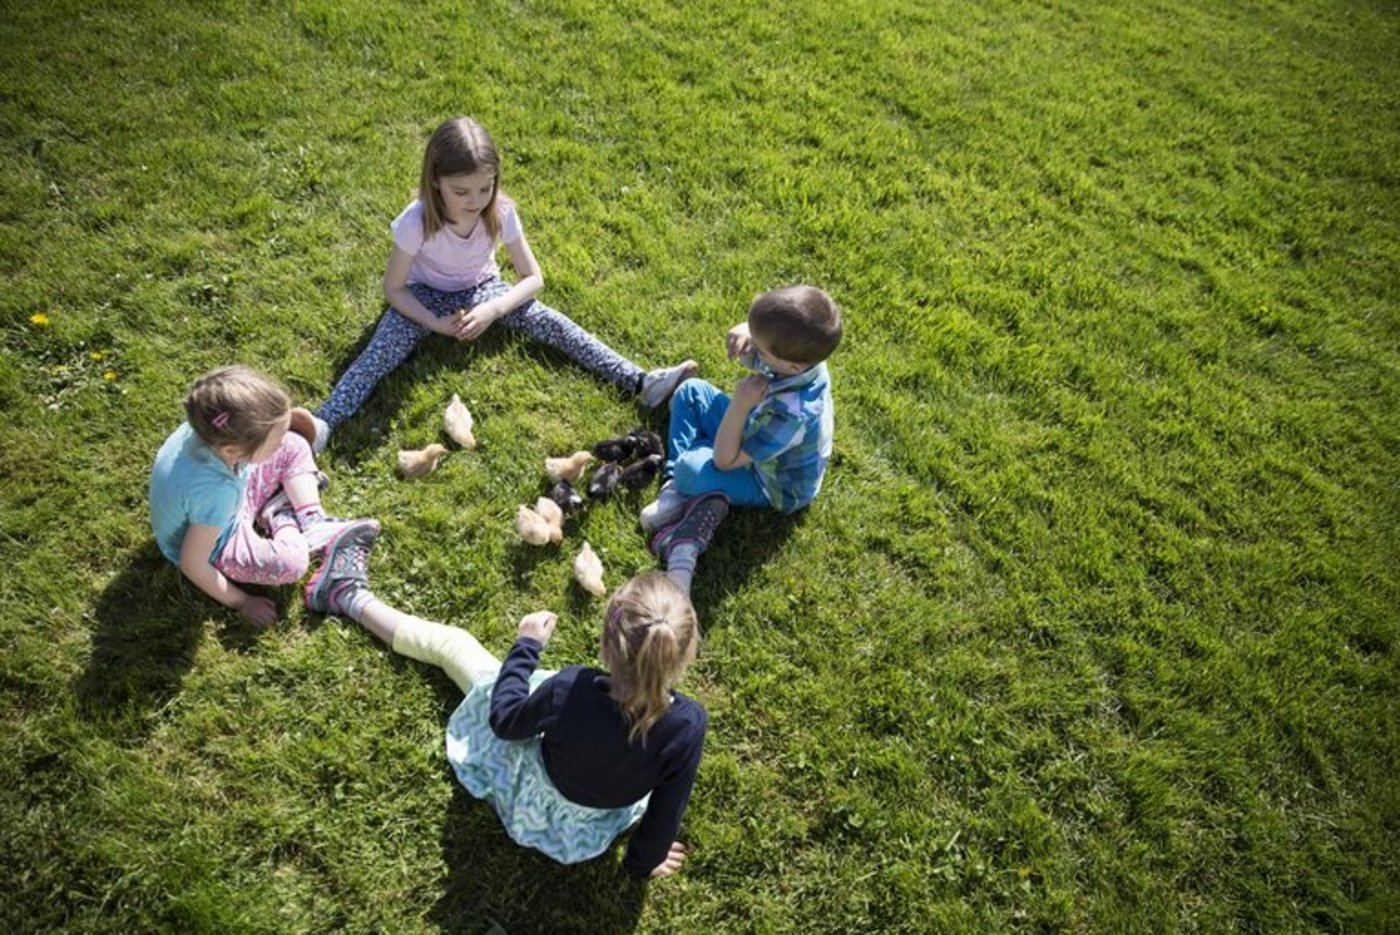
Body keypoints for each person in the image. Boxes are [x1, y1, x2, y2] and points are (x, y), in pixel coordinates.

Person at [308, 116, 697, 452]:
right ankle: (323, 422)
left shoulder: (501, 211)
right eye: (461, 192)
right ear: (436, 181)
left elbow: (534, 278)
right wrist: (434, 322)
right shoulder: (416, 221)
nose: (475, 200)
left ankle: (640, 380)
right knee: (380, 351)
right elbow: (393, 289)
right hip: (422, 296)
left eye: (485, 187)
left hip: (483, 289)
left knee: (553, 323)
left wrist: (493, 309)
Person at [343, 571, 706, 879]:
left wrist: (526, 648)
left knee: (452, 646)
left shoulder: (569, 689)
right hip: (590, 824)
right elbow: (666, 811)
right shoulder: (687, 727)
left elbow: (505, 720)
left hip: (534, 798)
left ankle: (349, 596)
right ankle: (350, 597)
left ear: (606, 646)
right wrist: (646, 862)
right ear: (685, 654)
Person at [641, 285, 842, 595]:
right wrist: (747, 331)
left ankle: (681, 487)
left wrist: (739, 406)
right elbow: (767, 354)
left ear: (792, 367)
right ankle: (677, 493)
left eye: (759, 350)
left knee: (690, 470)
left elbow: (725, 460)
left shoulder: (793, 415)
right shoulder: (799, 360)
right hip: (754, 426)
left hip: (771, 482)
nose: (753, 352)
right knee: (690, 392)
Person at [148, 366, 380, 627]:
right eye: (273, 442)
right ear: (232, 450)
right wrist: (243, 602)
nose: (280, 443)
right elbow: (193, 563)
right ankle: (282, 517)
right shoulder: (214, 491)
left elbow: (278, 444)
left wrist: (277, 440)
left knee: (295, 444)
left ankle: (313, 521)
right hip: (219, 539)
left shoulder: (208, 428)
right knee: (291, 564)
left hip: (230, 495)